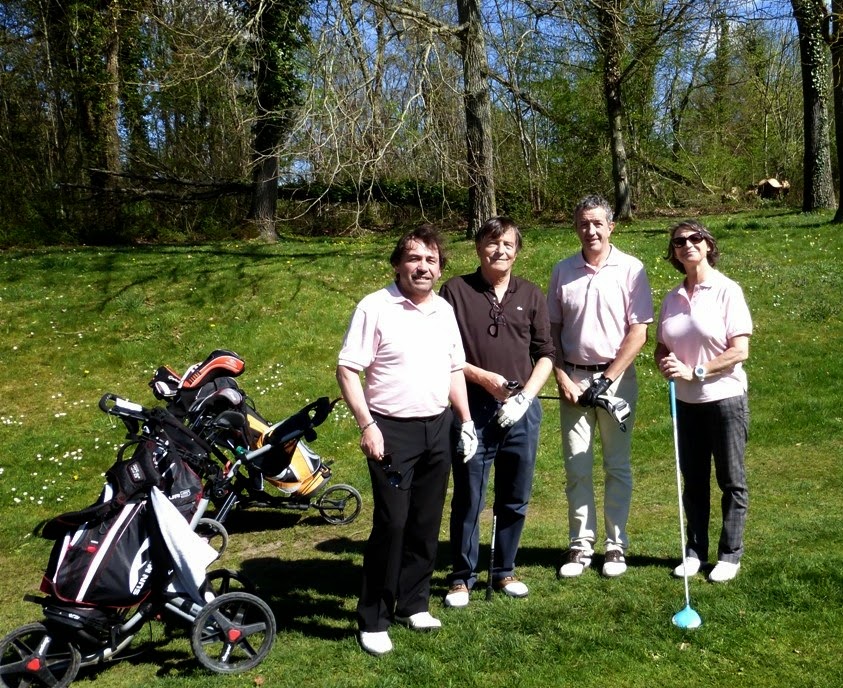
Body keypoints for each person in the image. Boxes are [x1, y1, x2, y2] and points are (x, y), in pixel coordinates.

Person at [336, 225, 477, 657]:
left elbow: (454, 369)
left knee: (425, 522)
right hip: (391, 430)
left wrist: (466, 421)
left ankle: (414, 604)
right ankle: (374, 618)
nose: (423, 267)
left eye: (431, 260)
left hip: (437, 425)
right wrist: (367, 425)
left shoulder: (444, 311)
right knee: (392, 523)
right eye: (414, 258)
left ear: (440, 268)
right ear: (398, 264)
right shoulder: (375, 307)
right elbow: (348, 370)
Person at [439, 217, 555, 607]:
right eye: (492, 243)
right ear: (479, 248)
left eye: (507, 244)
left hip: (522, 409)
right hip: (470, 409)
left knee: (515, 494)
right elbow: (444, 351)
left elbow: (546, 354)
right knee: (469, 495)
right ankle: (461, 577)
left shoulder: (531, 293)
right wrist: (484, 379)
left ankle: (504, 570)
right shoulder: (455, 290)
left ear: (517, 251)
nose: (500, 250)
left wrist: (526, 398)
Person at [547, 194, 653, 578]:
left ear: (611, 226)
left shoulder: (631, 269)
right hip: (573, 379)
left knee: (616, 465)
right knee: (577, 466)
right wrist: (561, 376)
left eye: (597, 223)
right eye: (583, 223)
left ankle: (616, 546)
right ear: (576, 227)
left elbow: (638, 332)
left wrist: (607, 379)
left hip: (617, 379)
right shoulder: (563, 270)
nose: (590, 230)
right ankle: (580, 546)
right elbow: (552, 331)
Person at [655, 219, 752, 583]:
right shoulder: (672, 298)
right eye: (679, 241)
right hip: (685, 402)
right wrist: (664, 362)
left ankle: (729, 554)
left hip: (724, 398)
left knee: (731, 480)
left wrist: (696, 371)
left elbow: (739, 351)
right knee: (693, 482)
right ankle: (695, 552)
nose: (687, 245)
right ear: (674, 252)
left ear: (708, 244)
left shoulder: (727, 290)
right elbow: (662, 345)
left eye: (695, 238)